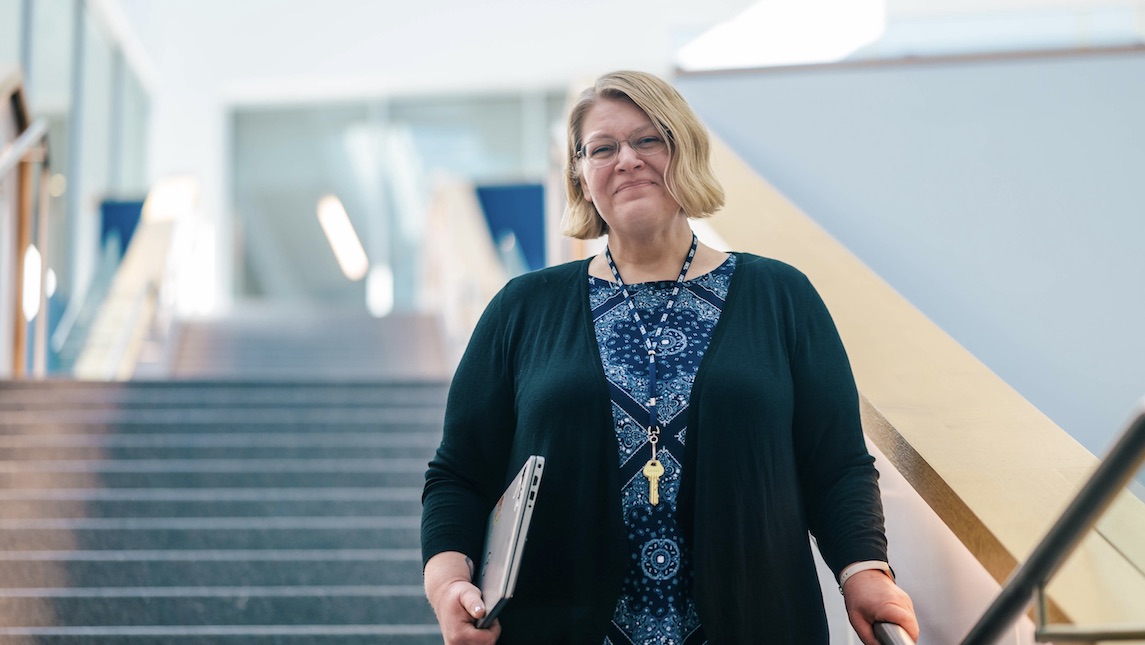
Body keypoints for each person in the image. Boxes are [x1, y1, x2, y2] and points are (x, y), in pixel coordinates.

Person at [421, 70, 919, 645]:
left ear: (684, 150)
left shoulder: (781, 297)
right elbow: (459, 473)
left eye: (648, 139)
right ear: (581, 178)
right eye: (601, 149)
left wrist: (865, 573)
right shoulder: (522, 309)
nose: (626, 159)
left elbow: (836, 465)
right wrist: (446, 583)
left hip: (755, 623)